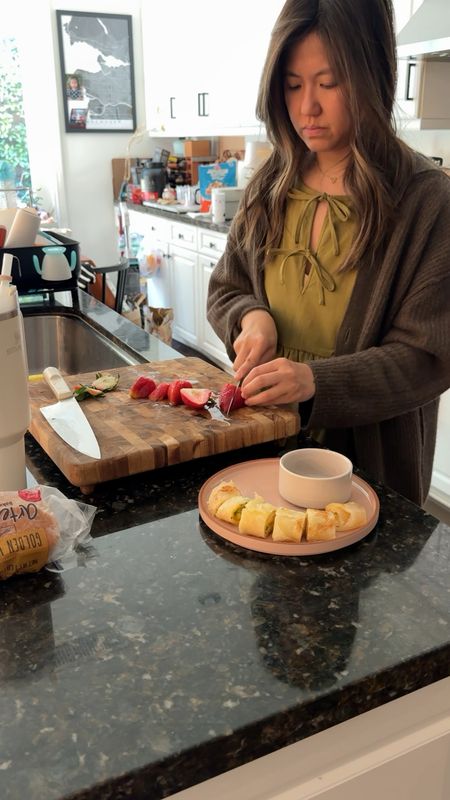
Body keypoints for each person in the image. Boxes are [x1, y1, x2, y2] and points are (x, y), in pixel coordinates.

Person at [206, 0, 450, 506]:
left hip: (367, 475)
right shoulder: (272, 182)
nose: (306, 108)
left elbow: (427, 359)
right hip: (262, 450)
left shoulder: (427, 201)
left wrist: (315, 383)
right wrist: (252, 319)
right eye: (293, 85)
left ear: (372, 75)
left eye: (329, 82)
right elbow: (226, 288)